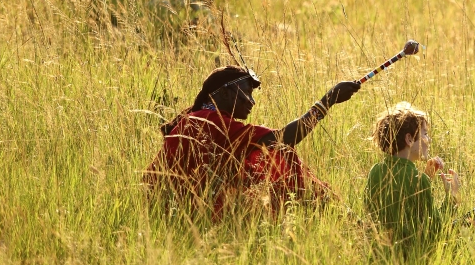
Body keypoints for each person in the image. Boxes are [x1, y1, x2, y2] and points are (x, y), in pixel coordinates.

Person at [144, 66, 361, 218]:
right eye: (247, 92)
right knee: (283, 154)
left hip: (169, 208)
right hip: (184, 211)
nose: (252, 102)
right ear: (226, 93)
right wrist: (328, 100)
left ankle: (332, 213)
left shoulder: (201, 118)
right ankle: (336, 214)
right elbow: (284, 139)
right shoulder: (211, 121)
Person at [364, 102, 464, 255]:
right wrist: (453, 197)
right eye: (424, 134)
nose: (429, 140)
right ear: (409, 139)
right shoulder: (418, 180)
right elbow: (436, 230)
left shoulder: (375, 171)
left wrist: (426, 177)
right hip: (417, 254)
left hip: (383, 254)